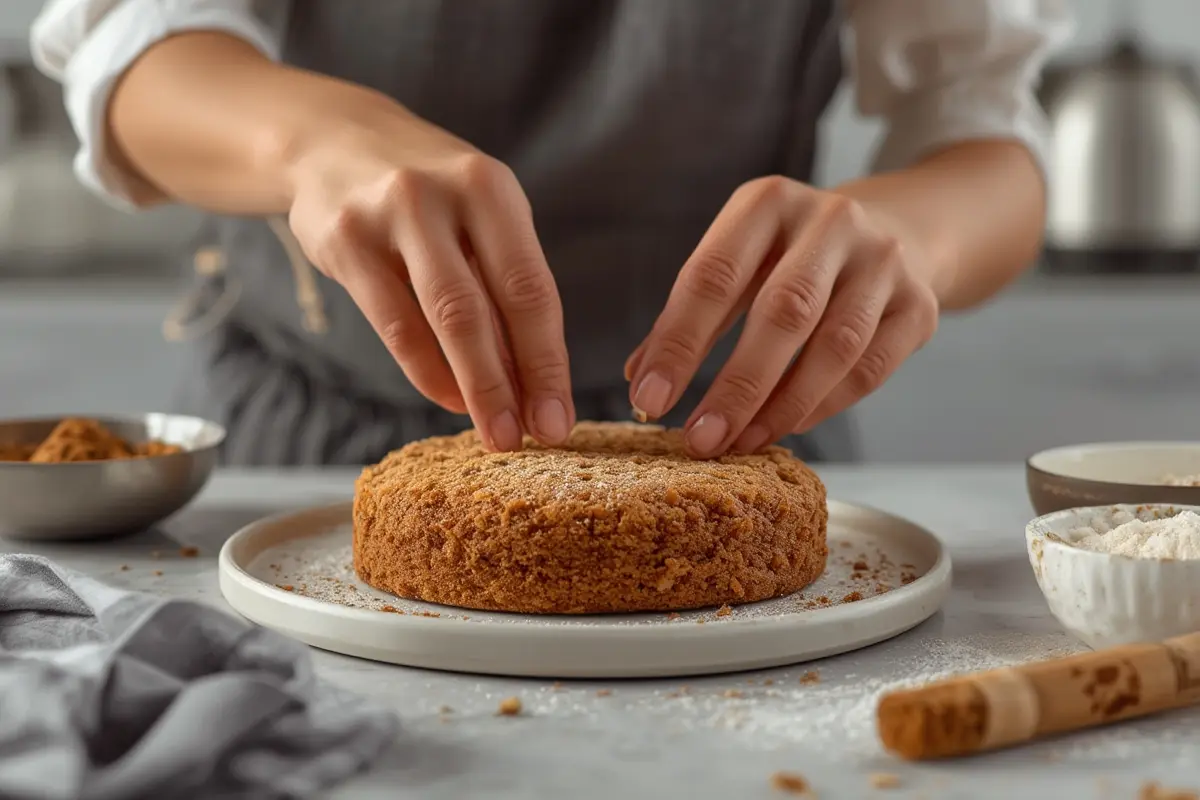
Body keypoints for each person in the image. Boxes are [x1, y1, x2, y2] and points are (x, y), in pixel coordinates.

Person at [31, 0, 1070, 466]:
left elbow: (986, 130)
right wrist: (315, 142)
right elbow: (127, 45)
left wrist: (910, 235)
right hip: (302, 429)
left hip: (729, 448)